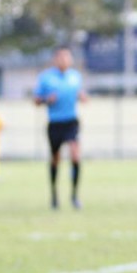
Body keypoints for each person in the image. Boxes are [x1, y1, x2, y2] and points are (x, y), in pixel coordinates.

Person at [34, 47, 86, 209]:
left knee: (75, 154)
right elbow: (36, 100)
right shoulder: (46, 78)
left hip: (71, 122)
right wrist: (46, 100)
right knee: (56, 159)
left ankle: (74, 196)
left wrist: (83, 97)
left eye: (67, 57)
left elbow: (81, 94)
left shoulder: (75, 77)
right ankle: (54, 195)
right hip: (55, 123)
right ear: (55, 59)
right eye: (61, 57)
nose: (65, 60)